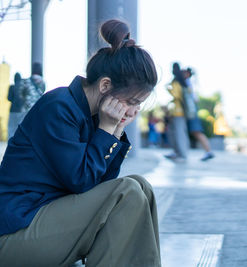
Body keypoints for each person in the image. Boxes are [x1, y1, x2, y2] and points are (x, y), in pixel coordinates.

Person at [0, 19, 161, 267]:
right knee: (126, 191)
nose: (133, 110)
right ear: (105, 85)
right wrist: (107, 129)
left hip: (46, 219)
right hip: (16, 231)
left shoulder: (91, 115)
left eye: (139, 104)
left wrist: (116, 129)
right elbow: (82, 182)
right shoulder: (59, 107)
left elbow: (101, 186)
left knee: (141, 186)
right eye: (131, 101)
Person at [183, 67, 215, 161]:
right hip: (192, 111)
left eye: (185, 72)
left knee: (196, 131)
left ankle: (208, 151)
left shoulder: (188, 83)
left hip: (192, 111)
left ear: (188, 74)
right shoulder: (190, 83)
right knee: (195, 132)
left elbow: (194, 99)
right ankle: (208, 151)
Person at [164, 62, 190, 163]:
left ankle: (182, 155)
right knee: (175, 133)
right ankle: (177, 153)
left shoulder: (176, 81)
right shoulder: (182, 81)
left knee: (179, 133)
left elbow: (176, 95)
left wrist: (168, 88)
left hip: (178, 112)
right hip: (176, 112)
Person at [7, 72, 23, 139]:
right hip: (21, 110)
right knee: (20, 127)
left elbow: (9, 98)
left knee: (11, 127)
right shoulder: (23, 87)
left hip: (13, 110)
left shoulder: (12, 87)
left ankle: (11, 142)